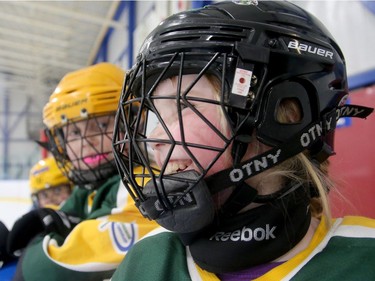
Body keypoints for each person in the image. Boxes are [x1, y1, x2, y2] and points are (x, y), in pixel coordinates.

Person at [111, 1, 375, 280]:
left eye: (185, 105)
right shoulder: (146, 261)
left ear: (285, 114)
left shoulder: (364, 260)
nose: (154, 138)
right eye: (156, 113)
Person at [7, 62, 159, 281]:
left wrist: (34, 256)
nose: (87, 142)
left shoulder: (139, 183)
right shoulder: (90, 189)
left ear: (132, 122)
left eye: (101, 126)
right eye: (75, 132)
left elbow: (62, 264)